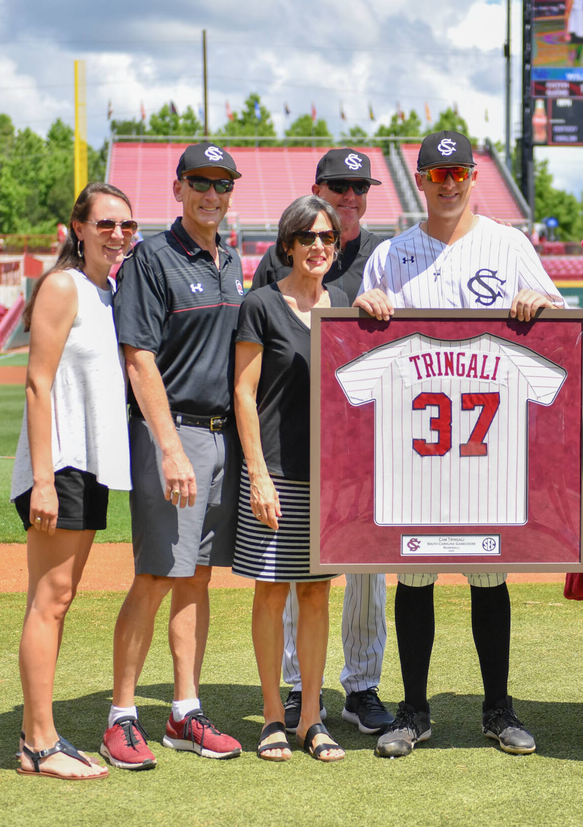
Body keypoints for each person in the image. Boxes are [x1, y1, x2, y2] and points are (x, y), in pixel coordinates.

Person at [353, 131, 564, 758]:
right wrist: (365, 305)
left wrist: (542, 302)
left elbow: (557, 323)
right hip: (413, 450)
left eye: (459, 172)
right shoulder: (392, 255)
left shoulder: (508, 244)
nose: (448, 182)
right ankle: (414, 710)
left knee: (487, 575)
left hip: (488, 450)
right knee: (414, 578)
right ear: (420, 180)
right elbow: (365, 333)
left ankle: (496, 708)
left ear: (475, 177)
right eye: (436, 173)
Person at [102, 142, 247, 770]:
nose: (211, 195)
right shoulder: (152, 260)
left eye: (222, 184)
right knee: (157, 573)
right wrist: (169, 449)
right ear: (179, 187)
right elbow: (139, 358)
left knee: (197, 575)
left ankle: (184, 711)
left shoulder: (233, 259)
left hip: (222, 437)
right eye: (200, 183)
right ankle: (121, 716)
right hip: (175, 434)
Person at [252, 148, 394, 736]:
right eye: (339, 185)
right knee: (292, 567)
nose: (350, 196)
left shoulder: (383, 257)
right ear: (318, 188)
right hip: (293, 440)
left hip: (361, 438)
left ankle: (361, 688)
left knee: (365, 568)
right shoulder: (277, 259)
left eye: (360, 187)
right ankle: (293, 689)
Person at [11, 183, 135, 780]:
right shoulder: (63, 286)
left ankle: (38, 734)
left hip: (84, 464)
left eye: (126, 226)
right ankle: (39, 744)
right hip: (60, 467)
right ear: (78, 228)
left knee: (53, 601)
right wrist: (42, 480)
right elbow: (37, 384)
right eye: (106, 223)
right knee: (52, 602)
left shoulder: (105, 291)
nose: (117, 234)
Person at [234, 196, 350, 763]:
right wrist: (257, 473)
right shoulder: (260, 304)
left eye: (326, 237)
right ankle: (272, 717)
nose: (318, 247)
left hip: (327, 477)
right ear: (288, 244)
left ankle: (311, 718)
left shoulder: (345, 303)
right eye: (307, 237)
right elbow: (244, 393)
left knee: (316, 594)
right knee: (270, 590)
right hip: (275, 472)